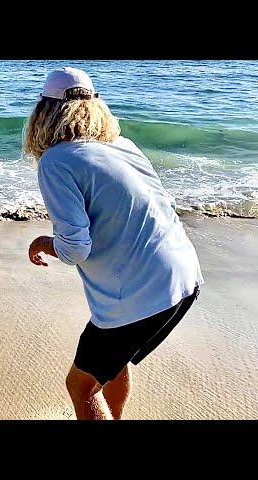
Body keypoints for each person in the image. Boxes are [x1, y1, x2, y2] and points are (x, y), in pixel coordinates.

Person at [23, 67, 204, 420]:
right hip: (184, 277)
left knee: (80, 387)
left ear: (43, 111)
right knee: (112, 364)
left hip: (139, 294)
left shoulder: (56, 161)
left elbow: (75, 248)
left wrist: (45, 242)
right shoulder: (124, 146)